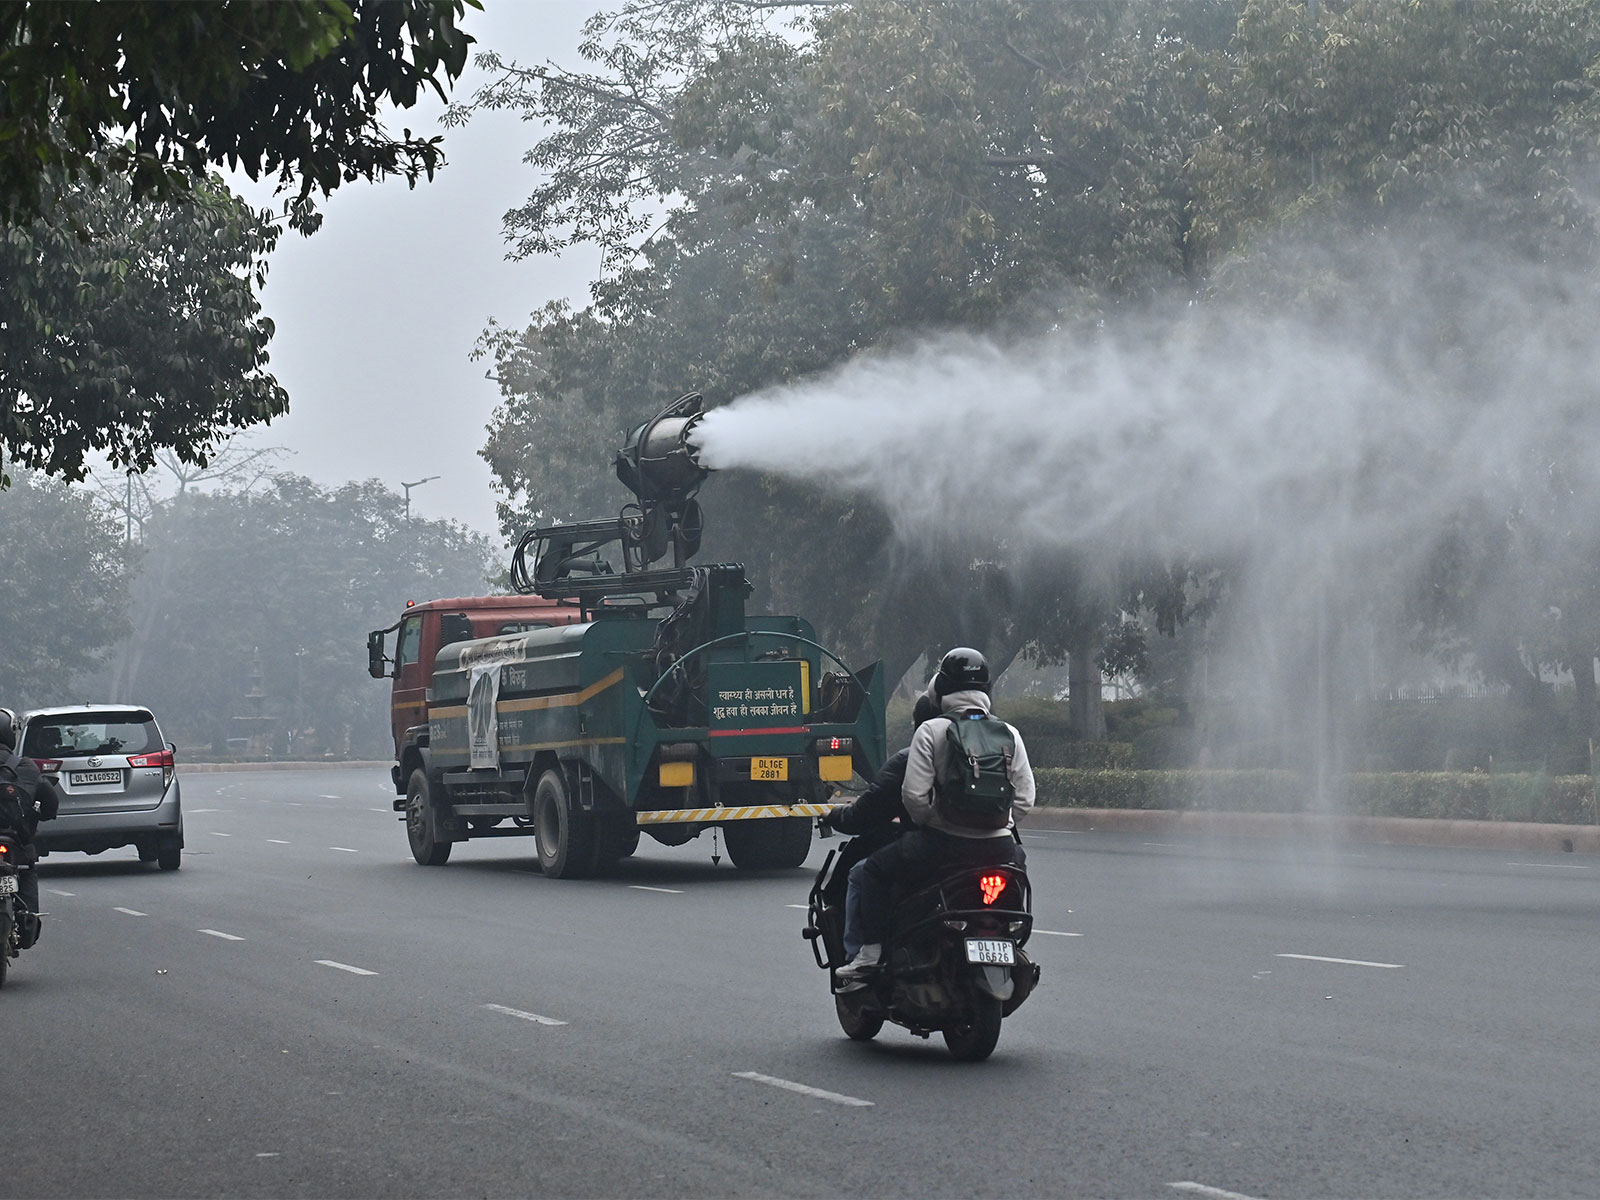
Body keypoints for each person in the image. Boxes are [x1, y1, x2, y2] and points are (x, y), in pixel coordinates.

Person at [836, 647, 1034, 985]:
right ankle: (1013, 943)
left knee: (872, 872)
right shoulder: (1009, 734)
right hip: (1001, 849)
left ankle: (869, 955)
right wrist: (1000, 826)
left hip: (943, 846)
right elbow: (1025, 799)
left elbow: (913, 796)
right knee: (1016, 876)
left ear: (940, 689)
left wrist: (934, 823)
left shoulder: (931, 731)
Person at [819, 692, 939, 960]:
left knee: (865, 873)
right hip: (999, 848)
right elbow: (1022, 802)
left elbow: (868, 813)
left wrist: (836, 815)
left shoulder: (912, 760)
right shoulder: (994, 744)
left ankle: (862, 954)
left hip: (936, 845)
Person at [0, 708, 60, 948]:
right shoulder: (25, 766)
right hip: (18, 840)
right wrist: (44, 815)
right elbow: (50, 802)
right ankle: (28, 917)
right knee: (27, 870)